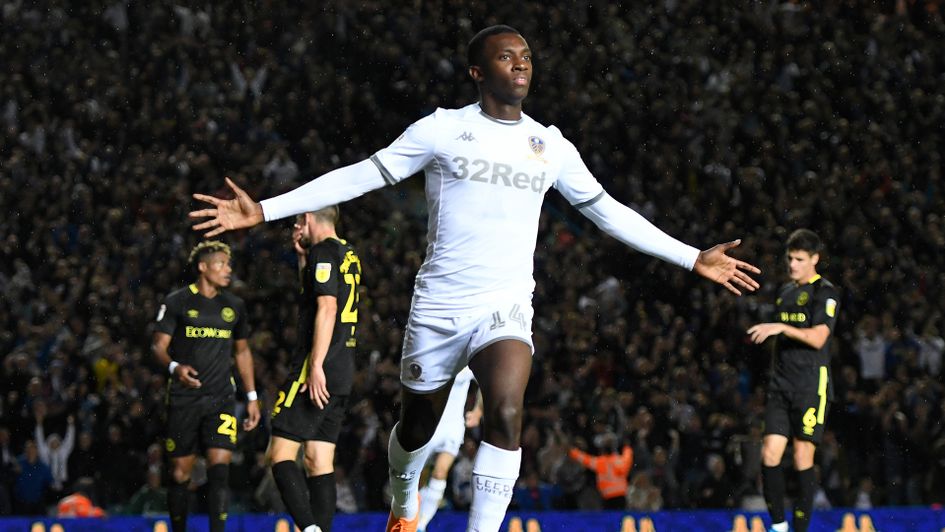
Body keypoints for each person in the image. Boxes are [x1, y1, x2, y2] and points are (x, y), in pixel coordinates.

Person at [190, 24, 761, 532]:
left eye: (527, 57)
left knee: (507, 410)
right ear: (477, 71)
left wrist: (692, 257)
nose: (520, 63)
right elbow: (363, 175)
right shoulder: (441, 130)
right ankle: (403, 497)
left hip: (506, 306)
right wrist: (265, 209)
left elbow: (608, 209)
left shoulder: (550, 146)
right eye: (507, 56)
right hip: (439, 306)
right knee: (415, 429)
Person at [152, 240, 261, 532]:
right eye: (221, 264)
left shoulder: (234, 306)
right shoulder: (177, 302)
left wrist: (251, 396)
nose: (228, 270)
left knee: (220, 471)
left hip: (221, 398)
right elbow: (158, 347)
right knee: (180, 474)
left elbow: (242, 352)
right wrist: (175, 368)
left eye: (229, 265)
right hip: (184, 397)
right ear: (203, 267)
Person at [268, 206, 361, 532]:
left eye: (297, 221)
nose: (296, 227)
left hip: (316, 367)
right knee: (318, 460)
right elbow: (319, 294)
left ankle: (308, 529)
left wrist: (316, 365)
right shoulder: (347, 253)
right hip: (343, 368)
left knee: (279, 455)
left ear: (307, 219)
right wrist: (303, 262)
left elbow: (327, 306)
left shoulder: (323, 251)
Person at [748, 229, 840, 532]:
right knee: (769, 454)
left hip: (810, 385)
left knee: (803, 455)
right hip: (780, 385)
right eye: (790, 258)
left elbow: (818, 338)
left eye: (799, 259)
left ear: (815, 259)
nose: (793, 265)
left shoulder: (824, 292)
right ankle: (778, 527)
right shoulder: (785, 292)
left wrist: (781, 328)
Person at [417, 367, 481, 532]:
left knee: (440, 473)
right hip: (429, 426)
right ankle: (408, 519)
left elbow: (486, 380)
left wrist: (478, 411)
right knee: (417, 478)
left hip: (453, 427)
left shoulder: (469, 363)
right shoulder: (436, 356)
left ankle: (421, 524)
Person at [568, 433, 633, 509]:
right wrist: (627, 448)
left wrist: (572, 451)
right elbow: (628, 458)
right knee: (619, 518)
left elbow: (585, 459)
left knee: (609, 519)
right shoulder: (621, 461)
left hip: (608, 497)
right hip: (621, 496)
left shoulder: (601, 462)